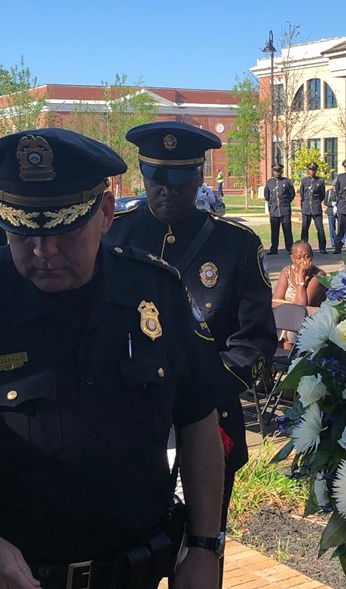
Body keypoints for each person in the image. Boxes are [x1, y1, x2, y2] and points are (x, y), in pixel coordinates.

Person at [0, 127, 226, 589]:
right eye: (23, 233)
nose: (43, 251)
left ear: (103, 213)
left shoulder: (156, 291)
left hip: (138, 574)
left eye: (63, 231)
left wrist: (203, 548)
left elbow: (200, 418)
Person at [105, 122, 275, 545]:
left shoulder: (234, 245)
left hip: (210, 418)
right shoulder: (112, 236)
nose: (167, 190)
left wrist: (199, 389)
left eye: (180, 180)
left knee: (201, 548)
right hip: (125, 423)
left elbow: (254, 339)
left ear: (199, 177)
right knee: (128, 551)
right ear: (142, 176)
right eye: (157, 178)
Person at [272, 240, 327, 309]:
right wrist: (292, 304)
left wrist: (301, 277)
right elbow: (274, 302)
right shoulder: (286, 271)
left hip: (308, 317)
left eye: (307, 257)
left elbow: (301, 307)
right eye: (299, 258)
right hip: (286, 314)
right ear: (292, 259)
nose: (303, 261)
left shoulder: (319, 275)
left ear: (312, 256)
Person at [264, 165, 295, 254]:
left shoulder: (286, 181)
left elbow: (291, 194)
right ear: (273, 172)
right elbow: (267, 195)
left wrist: (286, 202)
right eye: (275, 171)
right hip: (274, 210)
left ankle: (290, 248)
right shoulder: (269, 182)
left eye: (278, 171)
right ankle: (274, 248)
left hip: (284, 210)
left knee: (287, 230)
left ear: (281, 172)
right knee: (274, 231)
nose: (277, 173)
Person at [299, 163, 328, 253]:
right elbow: (302, 194)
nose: (312, 171)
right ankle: (303, 248)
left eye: (314, 170)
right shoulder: (304, 181)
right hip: (307, 207)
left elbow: (322, 195)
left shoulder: (320, 181)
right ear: (308, 170)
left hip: (316, 207)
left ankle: (322, 248)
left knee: (320, 228)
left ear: (316, 170)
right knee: (304, 229)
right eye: (310, 169)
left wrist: (317, 201)